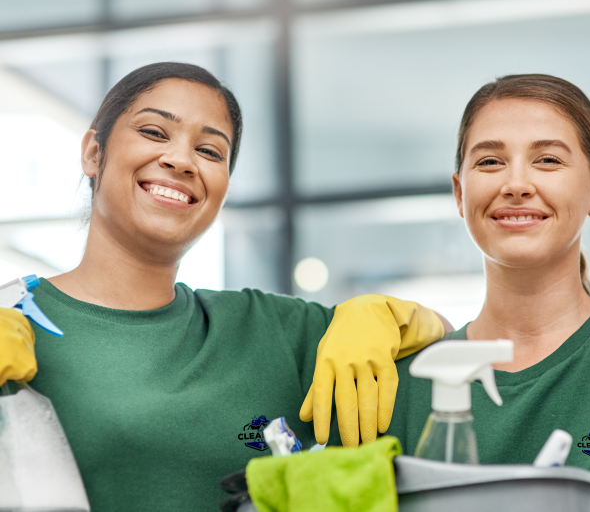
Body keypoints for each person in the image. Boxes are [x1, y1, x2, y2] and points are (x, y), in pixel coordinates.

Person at [0, 62, 450, 511]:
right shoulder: (12, 332)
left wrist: (389, 316)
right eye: (155, 132)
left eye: (211, 151)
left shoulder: (273, 331)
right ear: (94, 153)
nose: (181, 160)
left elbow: (461, 357)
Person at [330, 74, 590, 511]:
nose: (517, 184)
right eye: (489, 162)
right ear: (459, 193)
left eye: (547, 160)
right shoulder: (393, 383)